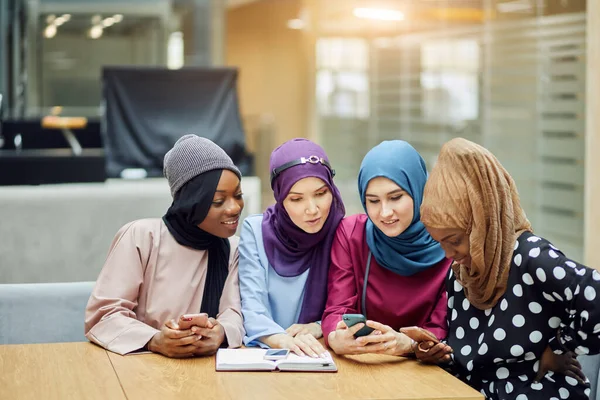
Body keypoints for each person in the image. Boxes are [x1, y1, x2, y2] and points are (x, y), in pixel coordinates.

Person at [410, 137, 595, 399]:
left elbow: (596, 297)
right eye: (439, 242)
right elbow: (475, 361)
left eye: (455, 240)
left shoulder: (530, 258)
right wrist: (440, 354)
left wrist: (559, 347)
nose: (448, 254)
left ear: (483, 222)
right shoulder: (462, 273)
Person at [85, 135, 245, 358]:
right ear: (191, 200)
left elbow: (235, 312)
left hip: (211, 374)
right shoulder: (142, 237)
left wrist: (221, 333)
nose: (235, 207)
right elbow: (104, 316)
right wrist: (154, 340)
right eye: (218, 200)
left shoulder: (234, 249)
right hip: (139, 373)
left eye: (238, 195)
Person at [322, 140, 452, 357]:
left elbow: (443, 330)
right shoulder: (352, 233)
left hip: (427, 374)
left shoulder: (450, 241)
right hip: (365, 366)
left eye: (396, 197)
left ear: (419, 188)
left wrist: (410, 345)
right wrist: (337, 337)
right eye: (373, 201)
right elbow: (337, 309)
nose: (384, 213)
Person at [239, 138, 345, 357]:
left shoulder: (344, 231)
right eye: (296, 199)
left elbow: (350, 306)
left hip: (325, 354)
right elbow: (251, 307)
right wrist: (281, 341)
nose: (313, 210)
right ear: (280, 197)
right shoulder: (256, 231)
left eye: (321, 194)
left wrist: (318, 326)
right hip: (266, 356)